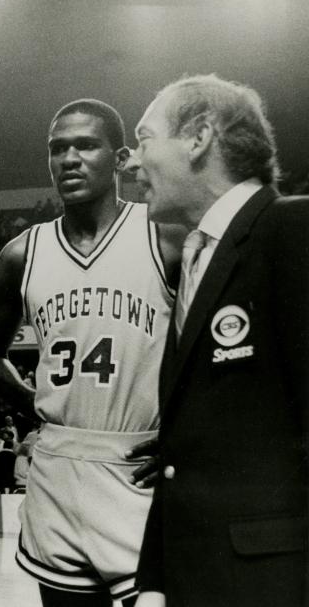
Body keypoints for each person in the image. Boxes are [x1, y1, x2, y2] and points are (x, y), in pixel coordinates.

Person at [0, 99, 184, 607]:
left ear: (121, 159)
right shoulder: (22, 254)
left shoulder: (166, 237)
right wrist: (38, 409)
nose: (69, 158)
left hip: (138, 467)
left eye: (86, 145)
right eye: (57, 149)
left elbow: (212, 354)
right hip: (58, 469)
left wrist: (189, 434)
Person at [126, 75, 309, 607]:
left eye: (144, 139)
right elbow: (185, 451)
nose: (133, 163)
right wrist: (155, 578)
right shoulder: (196, 257)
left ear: (199, 135)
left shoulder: (293, 230)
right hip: (196, 577)